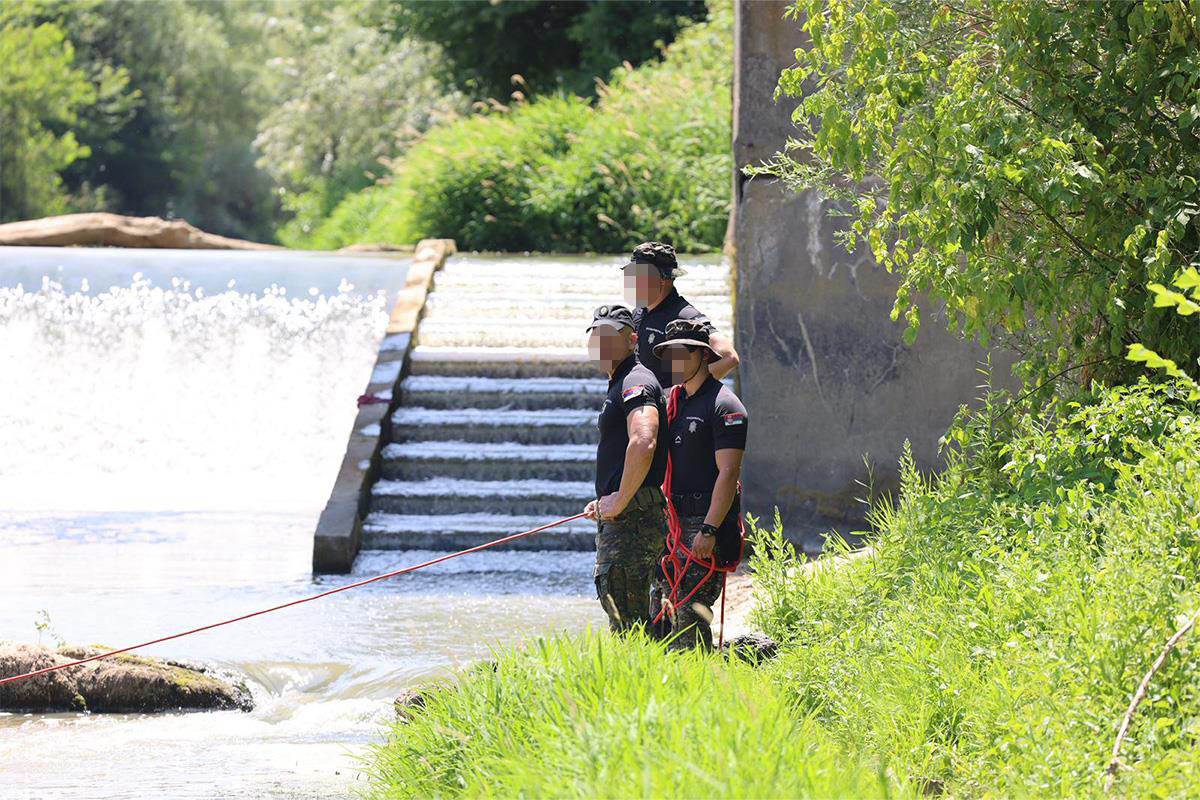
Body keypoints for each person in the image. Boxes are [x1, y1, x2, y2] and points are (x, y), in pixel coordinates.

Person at [649, 318, 748, 650]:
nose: (673, 363)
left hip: (705, 525)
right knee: (664, 614)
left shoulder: (724, 405)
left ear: (703, 355)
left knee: (691, 617)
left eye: (681, 354)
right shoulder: (675, 403)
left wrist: (708, 529)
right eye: (669, 355)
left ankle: (701, 687)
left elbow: (729, 473)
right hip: (673, 522)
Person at [581, 303, 670, 634]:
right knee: (631, 622)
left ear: (632, 340)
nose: (602, 344)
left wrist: (620, 501)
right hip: (629, 514)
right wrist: (610, 497)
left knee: (631, 627)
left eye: (611, 336)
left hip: (633, 521)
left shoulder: (636, 381)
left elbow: (644, 440)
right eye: (597, 336)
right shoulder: (620, 382)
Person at [620, 241, 740, 388]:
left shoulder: (684, 316)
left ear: (662, 280)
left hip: (668, 409)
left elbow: (730, 357)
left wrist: (679, 393)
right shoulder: (638, 312)